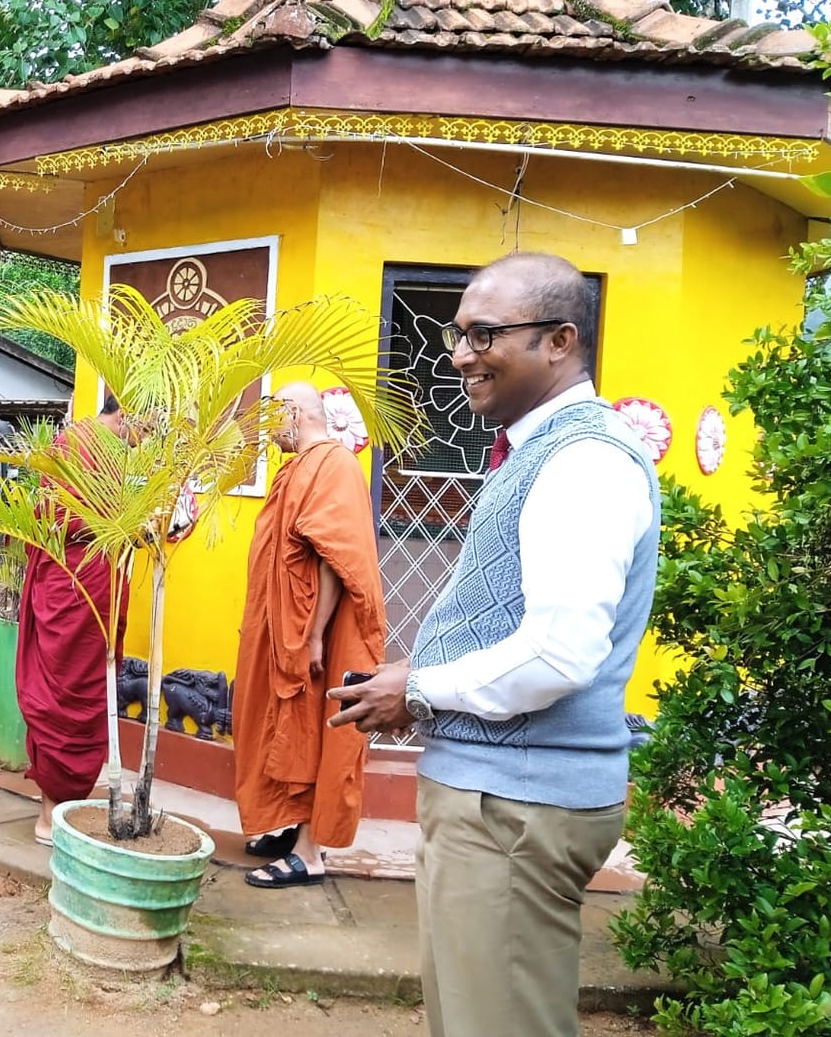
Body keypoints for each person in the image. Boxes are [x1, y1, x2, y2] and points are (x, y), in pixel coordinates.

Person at [330, 252, 661, 1037]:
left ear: (559, 341)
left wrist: (416, 689)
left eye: (485, 334)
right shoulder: (540, 450)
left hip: (518, 805)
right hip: (502, 795)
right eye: (458, 332)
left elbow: (557, 654)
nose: (461, 353)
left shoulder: (583, 460)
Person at [232, 381, 386, 888]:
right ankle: (291, 828)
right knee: (286, 727)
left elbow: (334, 558)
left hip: (315, 634)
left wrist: (315, 633)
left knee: (315, 729)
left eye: (271, 421)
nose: (267, 433)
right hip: (287, 632)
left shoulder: (334, 465)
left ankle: (311, 853)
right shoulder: (298, 467)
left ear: (293, 413)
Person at [16, 395, 132, 846]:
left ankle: (64, 806)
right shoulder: (75, 445)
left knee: (91, 691)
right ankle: (50, 813)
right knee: (64, 695)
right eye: (148, 425)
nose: (149, 437)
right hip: (72, 585)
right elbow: (55, 516)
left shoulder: (119, 451)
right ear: (125, 414)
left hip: (101, 584)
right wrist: (123, 523)